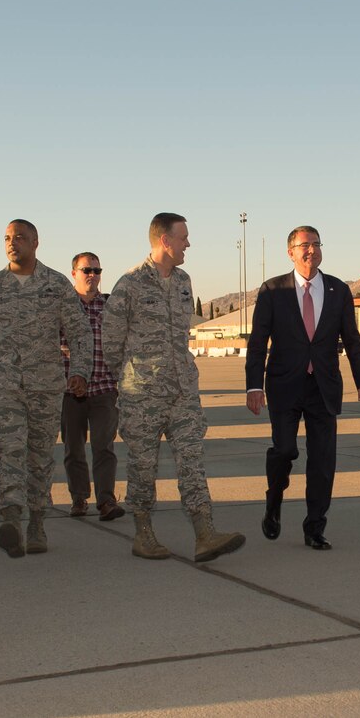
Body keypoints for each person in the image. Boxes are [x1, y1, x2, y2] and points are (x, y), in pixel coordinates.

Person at [102, 212, 245, 562]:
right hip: (143, 395)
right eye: (183, 237)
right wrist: (134, 379)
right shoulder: (130, 284)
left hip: (183, 391)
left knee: (192, 460)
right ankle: (143, 534)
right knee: (143, 465)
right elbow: (110, 342)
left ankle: (205, 534)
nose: (188, 244)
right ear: (165, 240)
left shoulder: (184, 280)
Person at [0, 219, 92, 558]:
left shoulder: (56, 285)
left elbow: (80, 331)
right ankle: (10, 516)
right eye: (7, 238)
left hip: (45, 387)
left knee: (39, 458)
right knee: (9, 450)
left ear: (36, 242)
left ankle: (37, 522)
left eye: (19, 237)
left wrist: (80, 370)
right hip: (3, 386)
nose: (12, 243)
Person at [245, 225, 360, 550]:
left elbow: (352, 339)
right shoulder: (272, 290)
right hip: (284, 385)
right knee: (285, 449)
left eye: (316, 244)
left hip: (323, 386)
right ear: (290, 252)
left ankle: (314, 526)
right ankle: (273, 500)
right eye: (305, 245)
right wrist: (253, 386)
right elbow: (258, 343)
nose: (311, 250)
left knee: (322, 460)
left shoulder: (338, 290)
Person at [59, 252, 125, 521]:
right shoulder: (62, 308)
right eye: (86, 270)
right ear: (74, 273)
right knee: (73, 448)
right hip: (70, 392)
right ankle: (78, 498)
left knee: (104, 447)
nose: (92, 275)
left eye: (97, 271)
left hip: (104, 388)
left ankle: (106, 501)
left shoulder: (110, 307)